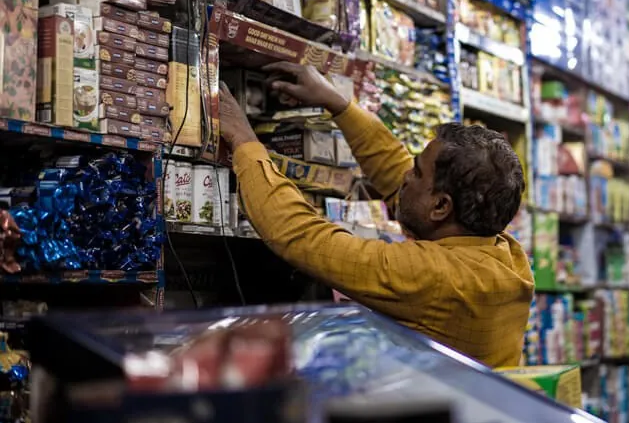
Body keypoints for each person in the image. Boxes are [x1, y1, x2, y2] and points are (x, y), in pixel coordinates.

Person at [219, 62, 534, 368]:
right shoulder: (502, 252)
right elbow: (397, 170)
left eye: (417, 171)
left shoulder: (432, 276)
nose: (405, 178)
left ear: (441, 207)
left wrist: (244, 141)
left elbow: (303, 237)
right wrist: (337, 102)